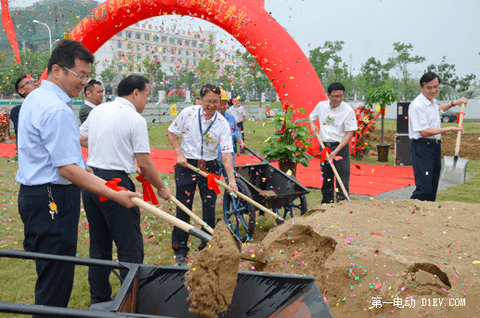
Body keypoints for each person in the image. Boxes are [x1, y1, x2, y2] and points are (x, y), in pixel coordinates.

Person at [16, 40, 140, 316]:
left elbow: (56, 155)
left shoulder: (36, 96)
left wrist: (87, 169)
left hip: (35, 195)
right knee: (56, 281)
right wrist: (113, 193)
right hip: (53, 198)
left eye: (87, 76)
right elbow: (66, 169)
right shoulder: (56, 108)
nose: (84, 82)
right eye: (80, 75)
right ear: (58, 70)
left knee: (49, 271)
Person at [80, 75, 171, 305]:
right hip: (116, 184)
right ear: (136, 93)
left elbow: (81, 138)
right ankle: (132, 300)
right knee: (130, 246)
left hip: (91, 181)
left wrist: (109, 144)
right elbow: (145, 164)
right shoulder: (134, 118)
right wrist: (162, 187)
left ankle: (99, 298)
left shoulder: (99, 110)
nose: (147, 101)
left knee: (99, 244)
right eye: (147, 95)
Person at [167, 84, 237, 266]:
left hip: (210, 168)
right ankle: (180, 250)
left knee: (209, 206)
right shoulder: (188, 113)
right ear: (201, 99)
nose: (212, 105)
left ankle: (207, 245)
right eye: (208, 101)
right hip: (186, 165)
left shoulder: (222, 123)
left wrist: (231, 180)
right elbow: (172, 132)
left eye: (216, 101)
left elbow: (227, 153)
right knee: (184, 207)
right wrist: (179, 153)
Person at [408, 71, 467, 202]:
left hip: (434, 147)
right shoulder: (417, 105)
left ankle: (427, 217)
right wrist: (450, 128)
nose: (433, 90)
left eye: (436, 87)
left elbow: (438, 109)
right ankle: (406, 212)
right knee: (424, 189)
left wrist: (455, 103)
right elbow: (424, 131)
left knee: (433, 186)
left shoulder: (431, 102)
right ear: (422, 87)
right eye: (429, 87)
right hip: (422, 147)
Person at [309, 82, 357, 204]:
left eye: (341, 96)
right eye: (335, 96)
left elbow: (349, 134)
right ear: (328, 95)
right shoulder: (321, 106)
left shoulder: (348, 111)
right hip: (324, 147)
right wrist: (313, 125)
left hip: (340, 148)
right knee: (326, 179)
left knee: (342, 178)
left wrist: (336, 151)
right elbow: (311, 116)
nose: (338, 99)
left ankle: (342, 204)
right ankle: (326, 205)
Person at [217, 90, 246, 168]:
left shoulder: (231, 118)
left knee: (232, 177)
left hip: (229, 152)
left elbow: (236, 132)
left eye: (225, 103)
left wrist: (241, 142)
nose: (223, 106)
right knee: (215, 178)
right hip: (215, 155)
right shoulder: (211, 118)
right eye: (221, 103)